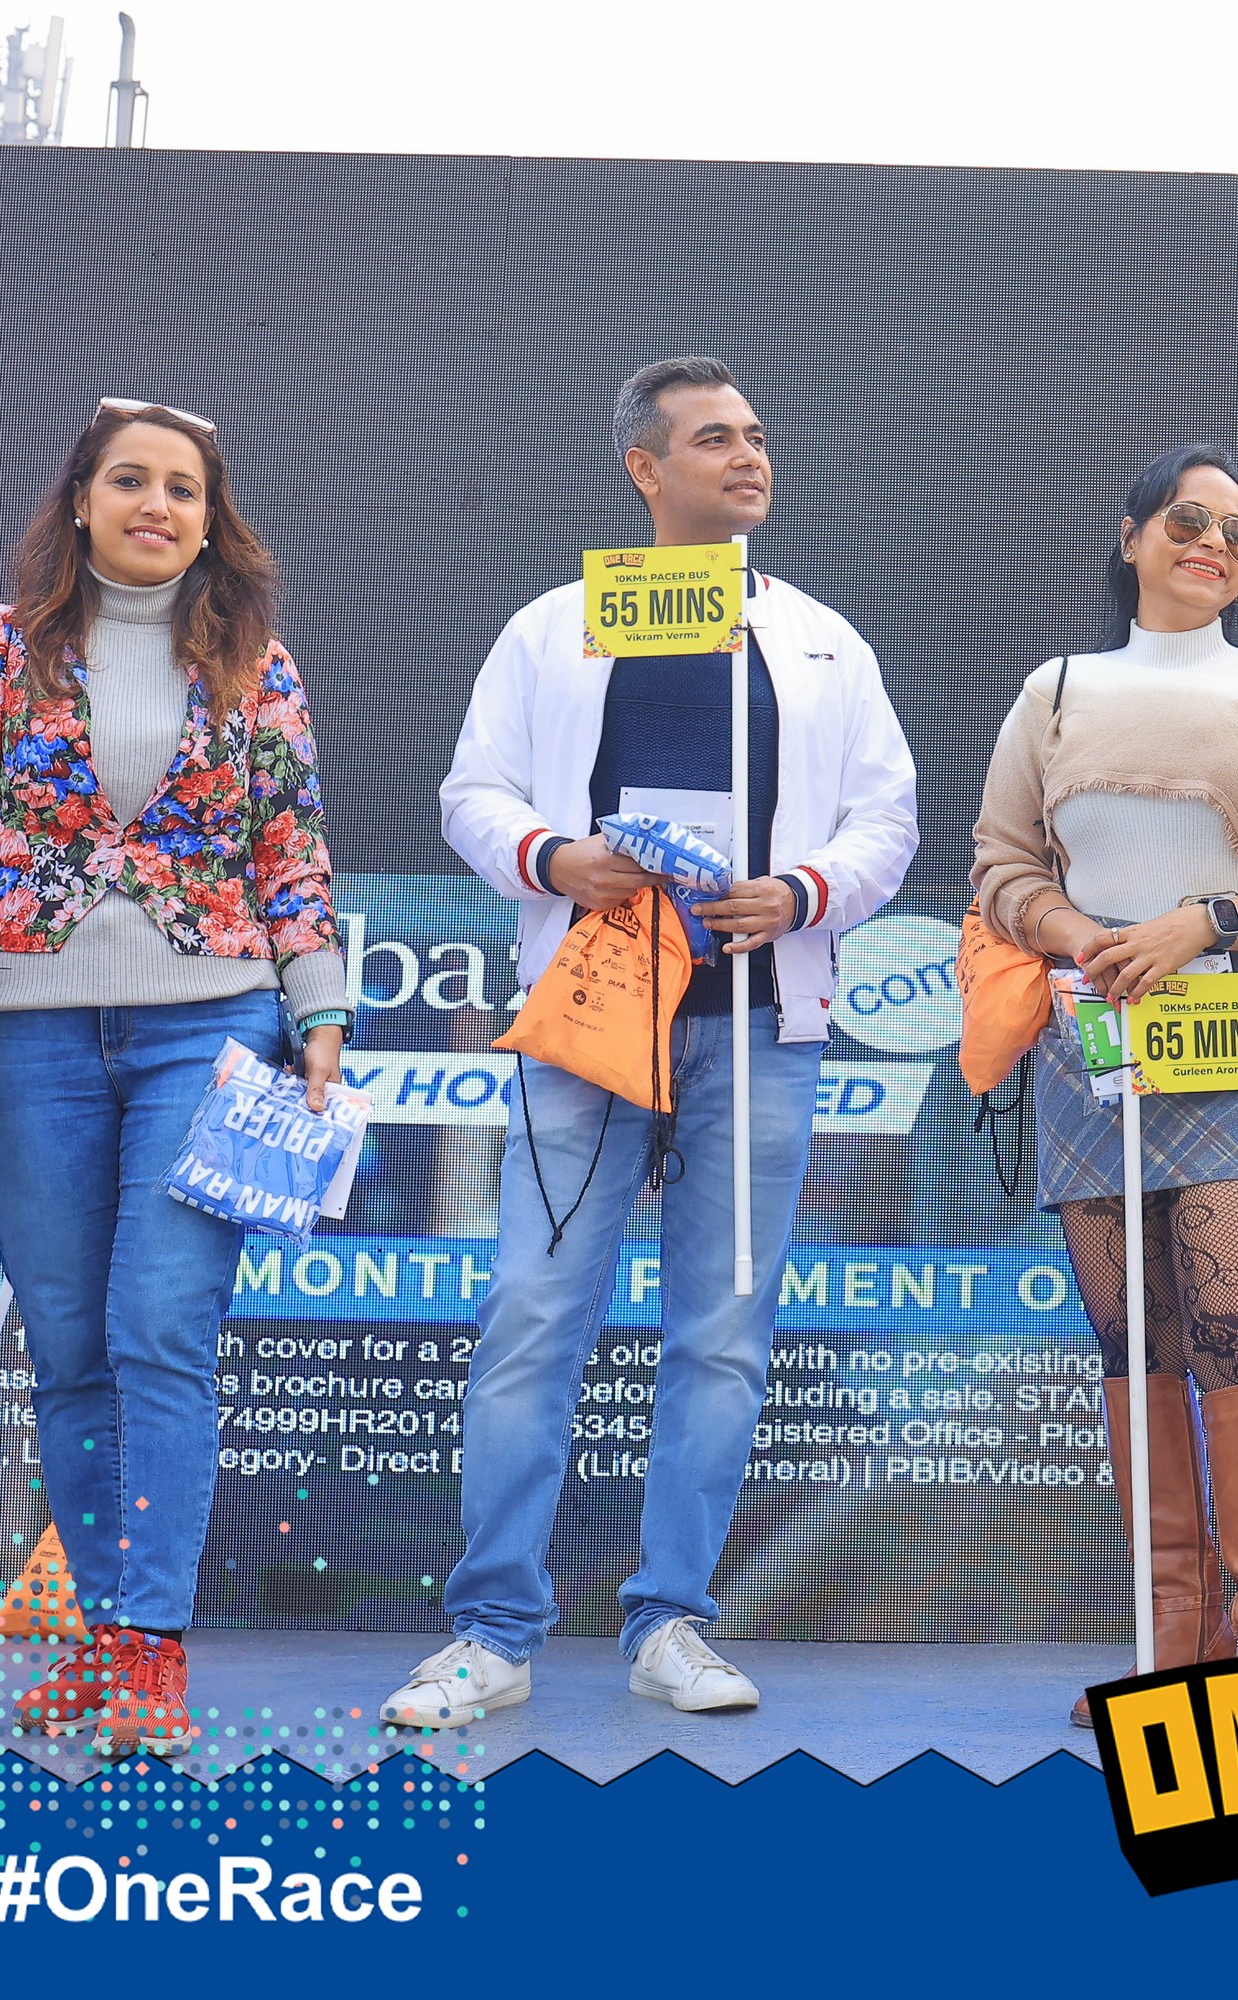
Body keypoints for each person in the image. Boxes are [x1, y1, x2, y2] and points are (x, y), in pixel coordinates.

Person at [383, 355, 917, 1727]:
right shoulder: (554, 625)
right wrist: (554, 857)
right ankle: (492, 1632)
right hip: (591, 1018)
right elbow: (473, 792)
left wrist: (800, 891)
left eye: (757, 435)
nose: (749, 456)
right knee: (532, 1315)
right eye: (715, 438)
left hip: (759, 1021)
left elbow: (887, 817)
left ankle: (672, 1620)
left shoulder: (821, 639)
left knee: (723, 1332)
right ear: (645, 469)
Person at [0, 398, 352, 1758]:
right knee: (71, 1349)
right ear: (80, 500)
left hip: (210, 1026)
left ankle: (150, 1650)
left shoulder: (255, 662)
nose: (156, 504)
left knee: (159, 1328)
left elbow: (292, 849)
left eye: (182, 488)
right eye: (129, 480)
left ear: (209, 518)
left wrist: (318, 1007)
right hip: (27, 1035)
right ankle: (98, 1638)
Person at [973, 442, 1238, 1725]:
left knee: (1237, 1325)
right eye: (1190, 520)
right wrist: (1074, 933)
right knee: (1133, 1339)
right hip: (1095, 1041)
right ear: (1133, 532)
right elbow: (1001, 864)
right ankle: (1167, 1653)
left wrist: (1205, 919)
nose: (1213, 545)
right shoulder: (1053, 693)